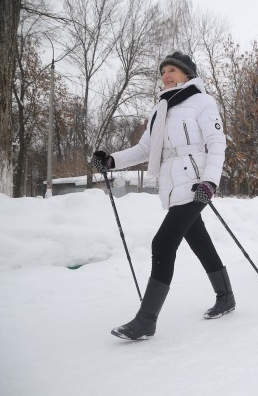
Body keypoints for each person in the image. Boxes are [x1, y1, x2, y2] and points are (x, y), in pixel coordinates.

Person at [92, 52, 233, 340]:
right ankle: (226, 297)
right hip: (172, 186)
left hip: (195, 185)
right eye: (163, 71)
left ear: (188, 74)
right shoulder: (160, 108)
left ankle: (146, 320)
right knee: (200, 241)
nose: (166, 75)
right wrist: (112, 161)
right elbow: (145, 150)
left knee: (163, 242)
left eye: (172, 70)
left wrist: (210, 182)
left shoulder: (202, 102)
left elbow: (216, 143)